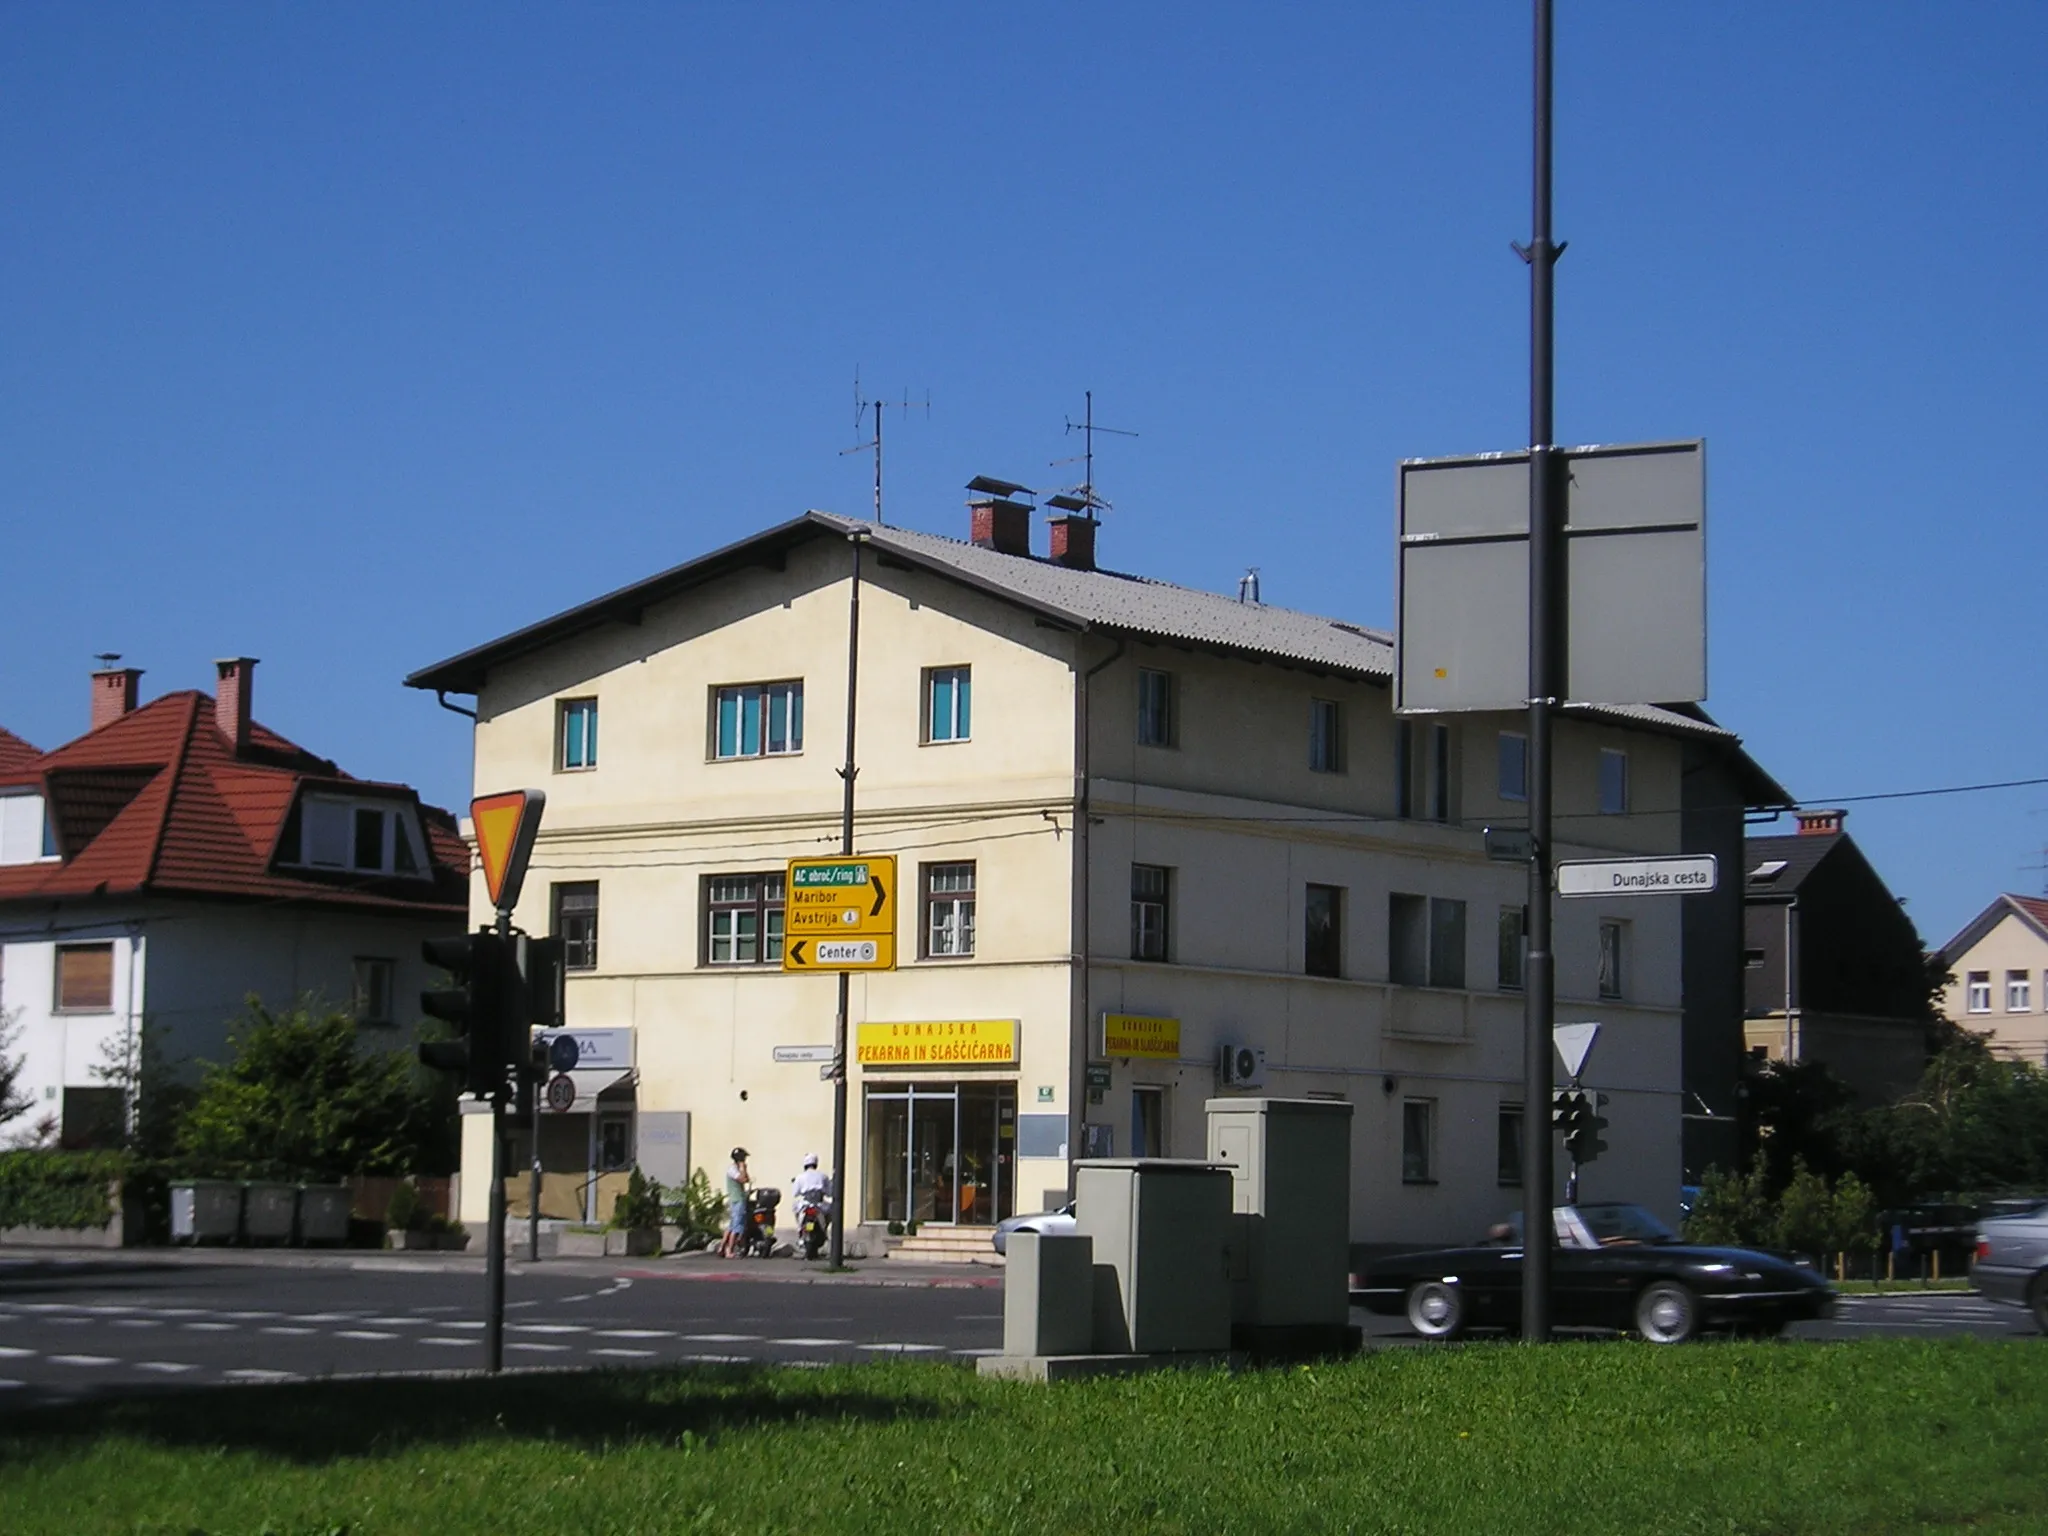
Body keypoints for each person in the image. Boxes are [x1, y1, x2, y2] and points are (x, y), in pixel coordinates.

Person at [721, 1147, 750, 1258]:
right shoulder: (733, 1169)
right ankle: (730, 1250)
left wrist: (744, 1170)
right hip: (737, 1199)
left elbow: (747, 1179)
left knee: (732, 1225)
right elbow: (742, 1179)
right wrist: (742, 1169)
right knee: (737, 1226)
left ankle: (722, 1247)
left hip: (738, 1198)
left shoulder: (737, 1169)